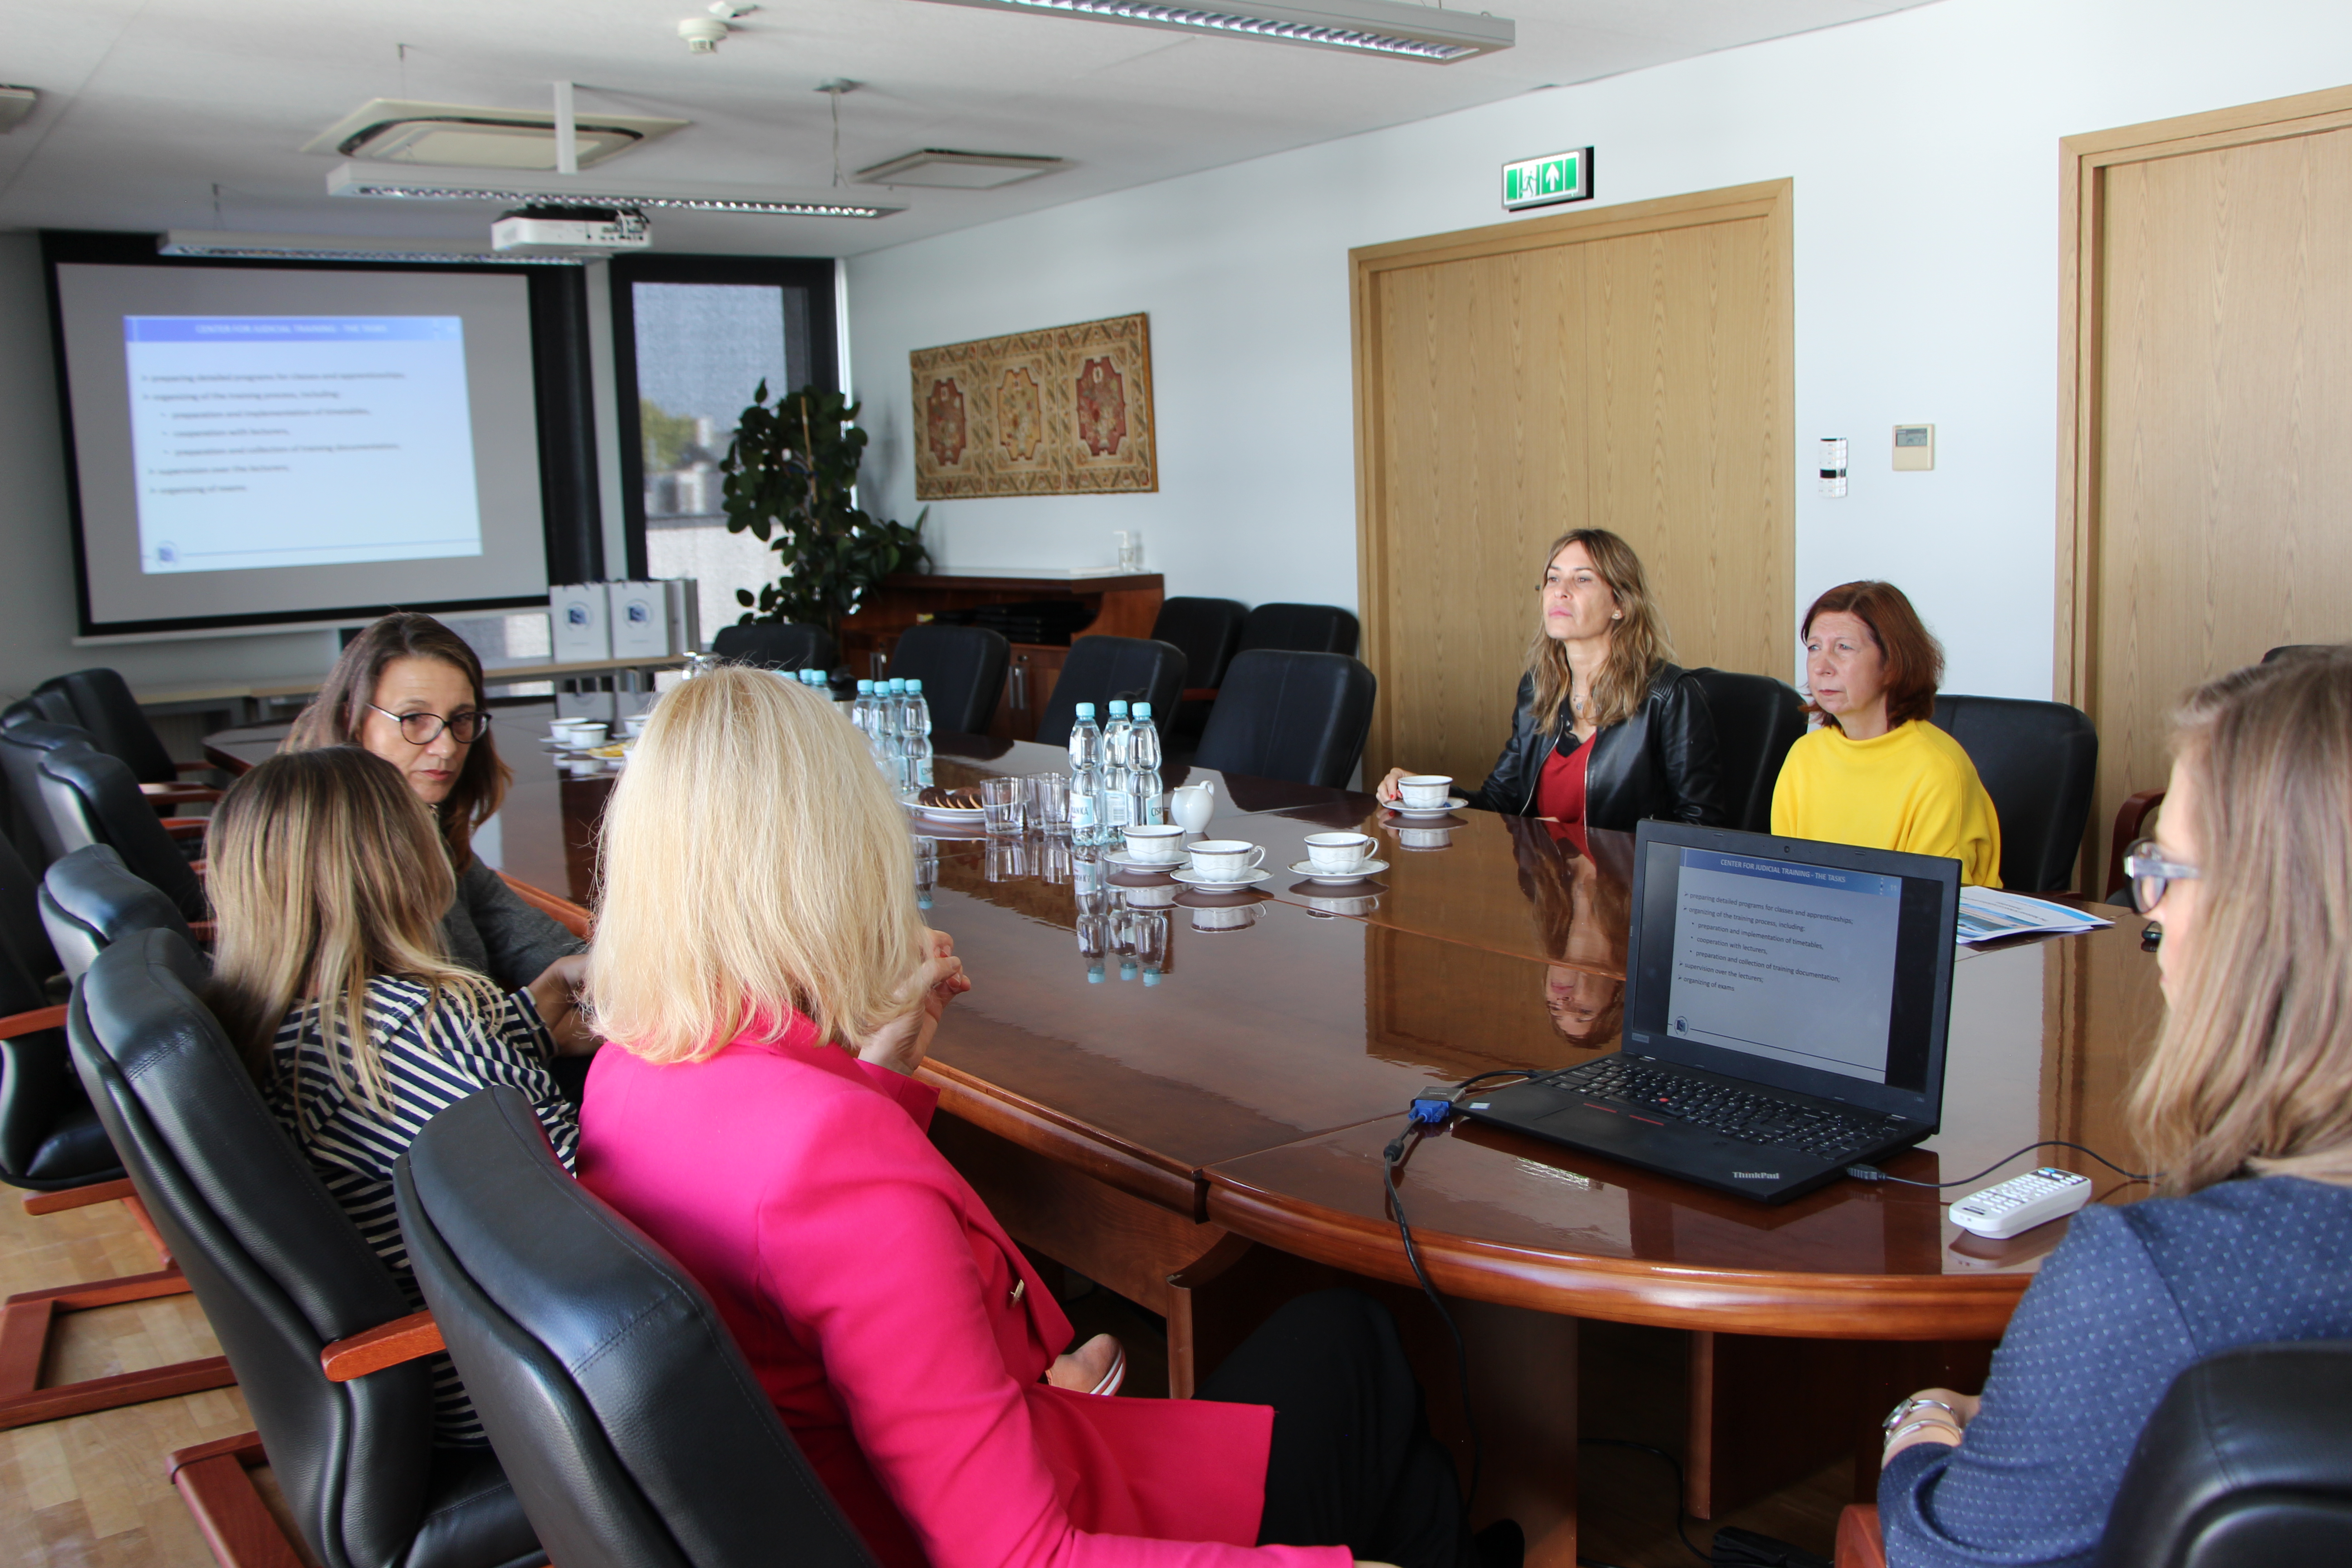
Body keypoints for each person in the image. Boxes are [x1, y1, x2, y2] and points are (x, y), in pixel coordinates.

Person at [578, 667, 1475, 1568]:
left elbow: (786, 1237)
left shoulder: (626, 1069)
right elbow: (1024, 1558)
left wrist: (876, 1074)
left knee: (1349, 1352)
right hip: (1028, 1521)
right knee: (1357, 1352)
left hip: (865, 1488)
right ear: (831, 858)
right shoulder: (829, 1161)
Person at [1875, 650, 2352, 1565]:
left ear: (2273, 917)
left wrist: (1923, 1418)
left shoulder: (2147, 1284)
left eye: (2165, 867)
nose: (2153, 914)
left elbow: (1938, 1552)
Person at [204, 745, 592, 1445]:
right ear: (400, 869)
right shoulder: (418, 1029)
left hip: (438, 1348)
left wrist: (532, 1014)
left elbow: (436, 1105)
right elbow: (587, 1214)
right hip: (517, 1374)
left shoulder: (287, 1012)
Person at [285, 612, 587, 995]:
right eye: (414, 719)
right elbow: (425, 1029)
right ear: (353, 721)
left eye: (461, 719)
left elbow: (535, 944)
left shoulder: (430, 828)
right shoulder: (330, 860)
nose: (446, 747)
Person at [1377, 529, 1724, 833]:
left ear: (1620, 604)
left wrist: (1577, 842)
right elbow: (1499, 802)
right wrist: (1424, 793)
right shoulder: (1538, 689)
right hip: (1548, 897)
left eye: (1582, 579)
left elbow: (1701, 831)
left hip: (1626, 900)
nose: (1560, 592)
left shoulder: (1669, 697)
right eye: (1553, 579)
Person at [1769, 581, 2001, 887]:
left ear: (1892, 662)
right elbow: (1788, 882)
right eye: (1815, 647)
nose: (1821, 667)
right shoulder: (1804, 755)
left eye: (1844, 648)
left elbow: (1927, 910)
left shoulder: (1938, 769)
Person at [1504, 817, 1630, 1047]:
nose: (1564, 1002)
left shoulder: (1536, 885)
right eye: (1583, 1010)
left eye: (1555, 1008)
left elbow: (1513, 808)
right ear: (1617, 994)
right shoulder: (1643, 901)